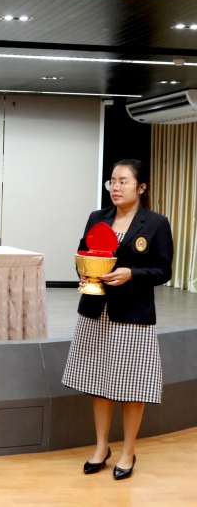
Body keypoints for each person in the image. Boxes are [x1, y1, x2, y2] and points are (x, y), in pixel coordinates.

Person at [62, 158, 173, 480]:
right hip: (96, 310)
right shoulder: (97, 218)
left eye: (124, 181)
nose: (116, 187)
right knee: (98, 381)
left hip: (133, 314)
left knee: (132, 385)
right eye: (113, 181)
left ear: (142, 187)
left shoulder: (156, 223)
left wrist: (131, 273)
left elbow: (163, 270)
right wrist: (85, 276)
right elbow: (83, 255)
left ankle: (128, 451)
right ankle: (101, 447)